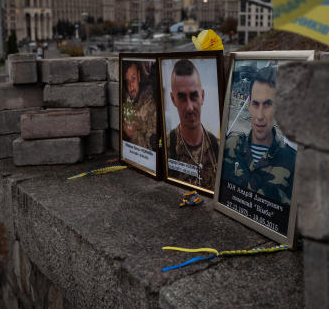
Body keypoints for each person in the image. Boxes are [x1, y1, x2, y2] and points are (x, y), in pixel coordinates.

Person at [221, 66, 296, 205]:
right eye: (256, 104)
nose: (260, 116)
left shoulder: (292, 162)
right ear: (249, 105)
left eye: (268, 104)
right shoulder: (230, 145)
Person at [165, 59, 219, 191]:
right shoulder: (165, 147)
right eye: (182, 97)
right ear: (173, 99)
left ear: (202, 96)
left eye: (194, 96)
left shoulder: (218, 148)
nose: (189, 107)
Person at [121, 61, 157, 150]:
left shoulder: (149, 101)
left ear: (139, 76)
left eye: (133, 79)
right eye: (127, 82)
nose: (131, 87)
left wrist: (133, 134)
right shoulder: (124, 99)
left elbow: (151, 148)